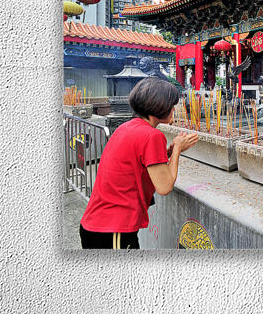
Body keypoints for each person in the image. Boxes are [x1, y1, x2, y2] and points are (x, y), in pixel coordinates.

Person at [79, 78, 198, 249]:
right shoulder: (152, 136)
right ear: (160, 106)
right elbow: (164, 186)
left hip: (97, 225)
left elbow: (137, 163)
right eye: (172, 105)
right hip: (112, 230)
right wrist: (178, 149)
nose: (173, 110)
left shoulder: (126, 127)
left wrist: (168, 153)